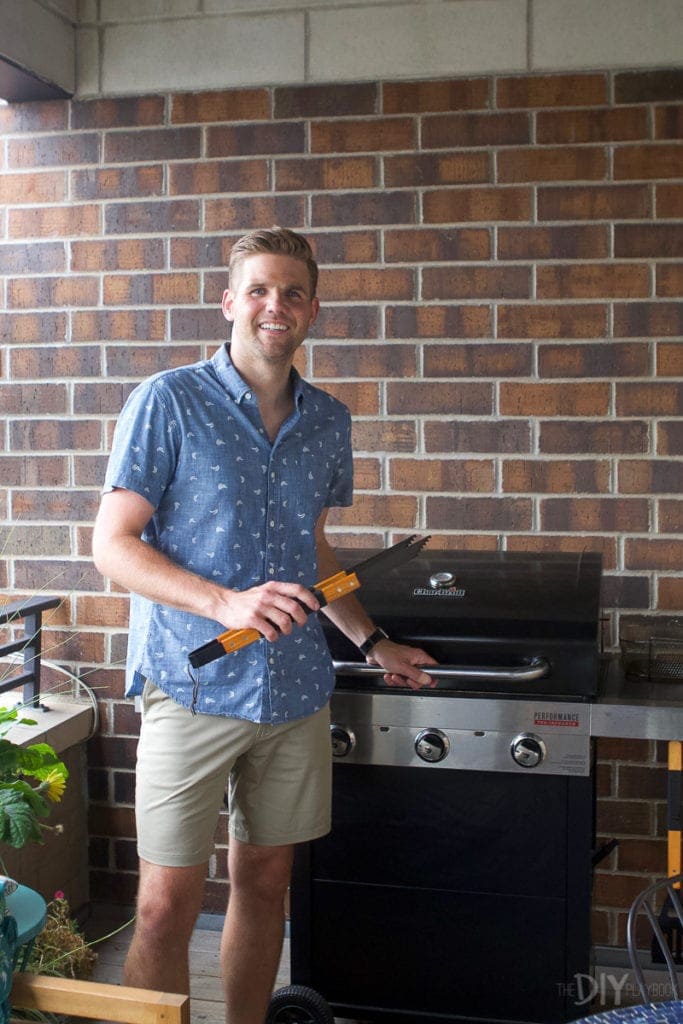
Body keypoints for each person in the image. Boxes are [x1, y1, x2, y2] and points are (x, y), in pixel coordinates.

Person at [92, 226, 436, 1024]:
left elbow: (311, 549)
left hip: (294, 693)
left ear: (311, 310)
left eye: (290, 292)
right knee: (162, 906)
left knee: (265, 884)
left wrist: (371, 641)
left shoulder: (328, 421)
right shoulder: (167, 400)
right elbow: (112, 545)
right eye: (257, 289)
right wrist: (225, 603)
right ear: (229, 302)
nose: (272, 305)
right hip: (193, 683)